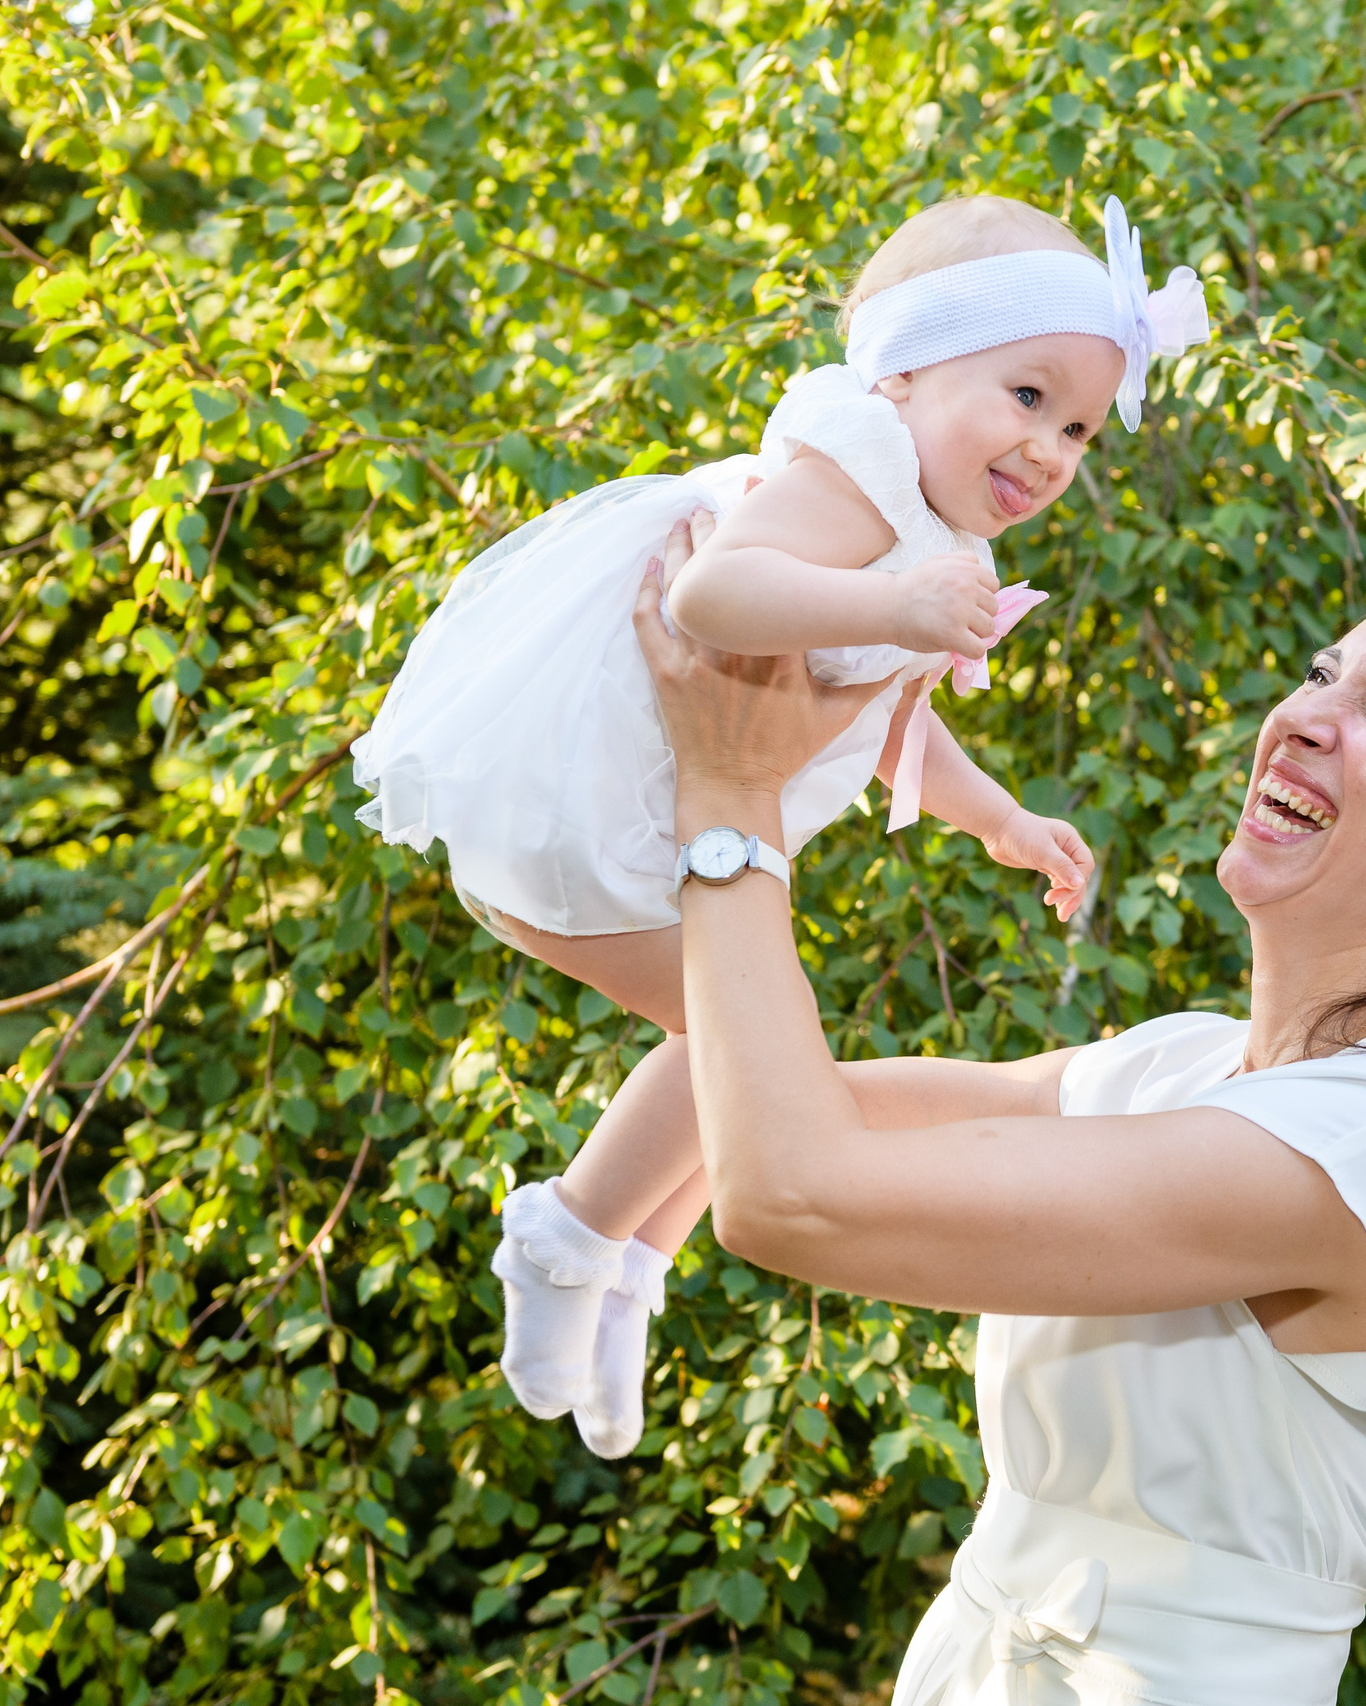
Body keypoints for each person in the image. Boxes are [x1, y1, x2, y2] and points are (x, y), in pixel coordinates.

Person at [610, 529, 1366, 1705]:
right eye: (1321, 672)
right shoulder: (1181, 1065)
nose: (1306, 716)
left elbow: (792, 1192)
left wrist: (732, 798)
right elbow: (773, 1096)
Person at [355, 193, 1212, 1453]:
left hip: (673, 818)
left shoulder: (935, 532)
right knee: (747, 1043)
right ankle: (568, 1231)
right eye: (1027, 396)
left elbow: (887, 713)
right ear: (905, 370)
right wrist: (901, 607)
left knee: (753, 1058)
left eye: (1078, 428)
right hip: (589, 805)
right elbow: (713, 593)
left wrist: (998, 818)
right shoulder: (858, 466)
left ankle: (633, 1262)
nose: (1049, 450)